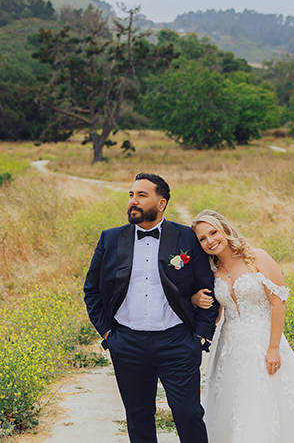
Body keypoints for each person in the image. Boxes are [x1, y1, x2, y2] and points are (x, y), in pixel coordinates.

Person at [83, 173, 219, 443]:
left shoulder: (186, 237)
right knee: (138, 417)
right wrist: (109, 334)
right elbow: (92, 290)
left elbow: (208, 288)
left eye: (142, 195)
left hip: (177, 342)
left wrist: (200, 336)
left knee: (188, 413)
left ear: (161, 203)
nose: (133, 201)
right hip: (127, 343)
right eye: (131, 195)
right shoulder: (110, 239)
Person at [189, 209, 294, 443]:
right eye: (203, 238)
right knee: (234, 403)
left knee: (267, 400)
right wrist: (194, 300)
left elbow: (278, 304)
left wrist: (273, 348)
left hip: (263, 340)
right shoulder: (211, 273)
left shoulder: (256, 258)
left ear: (225, 230)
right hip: (230, 347)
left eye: (213, 232)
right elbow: (217, 316)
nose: (210, 240)